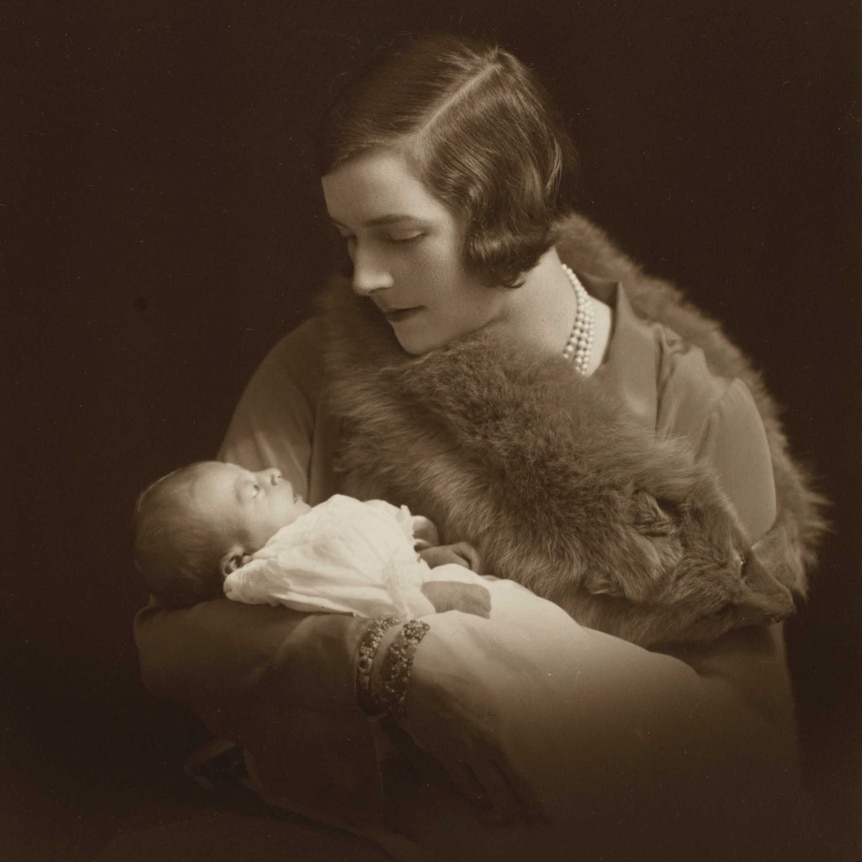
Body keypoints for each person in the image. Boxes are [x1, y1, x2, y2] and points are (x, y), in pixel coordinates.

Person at [133, 33, 824, 861]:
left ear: (502, 219)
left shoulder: (693, 409)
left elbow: (752, 745)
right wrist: (387, 660)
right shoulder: (313, 367)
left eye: (399, 235)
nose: (363, 279)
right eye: (347, 239)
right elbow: (177, 642)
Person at [132, 460, 491, 619]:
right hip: (426, 616)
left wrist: (429, 557)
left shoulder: (318, 526)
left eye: (252, 470)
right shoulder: (289, 566)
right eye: (254, 489)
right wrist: (429, 596)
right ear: (240, 563)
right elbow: (356, 598)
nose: (271, 472)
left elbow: (382, 560)